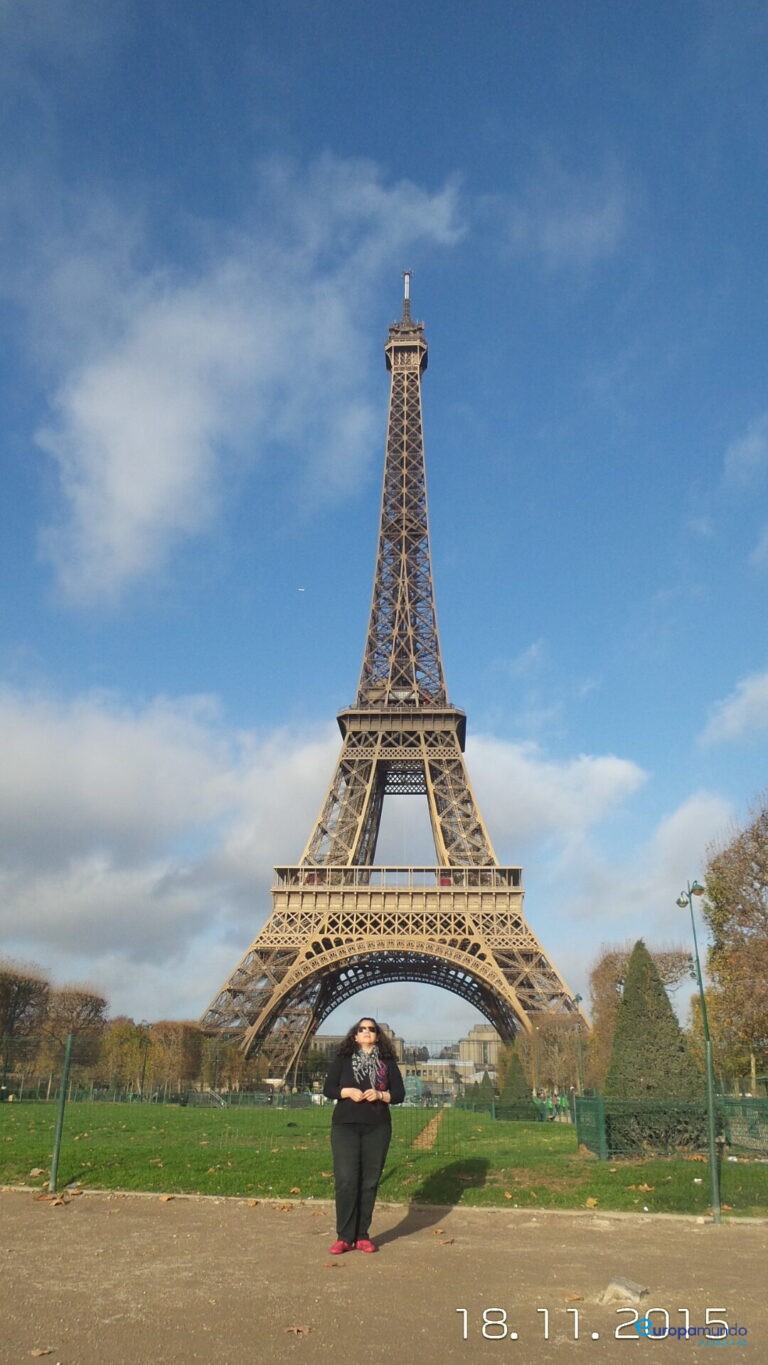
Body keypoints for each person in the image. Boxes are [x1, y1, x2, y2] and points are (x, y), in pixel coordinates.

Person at [323, 1016, 405, 1254]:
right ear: (355, 1035)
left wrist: (380, 1095)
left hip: (377, 1127)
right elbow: (329, 1089)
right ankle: (344, 1236)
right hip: (345, 1126)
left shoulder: (387, 1062)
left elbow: (399, 1094)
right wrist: (346, 1091)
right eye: (362, 1029)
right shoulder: (343, 1060)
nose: (367, 1032)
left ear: (377, 1035)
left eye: (372, 1029)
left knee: (369, 1183)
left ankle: (362, 1235)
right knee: (346, 1179)